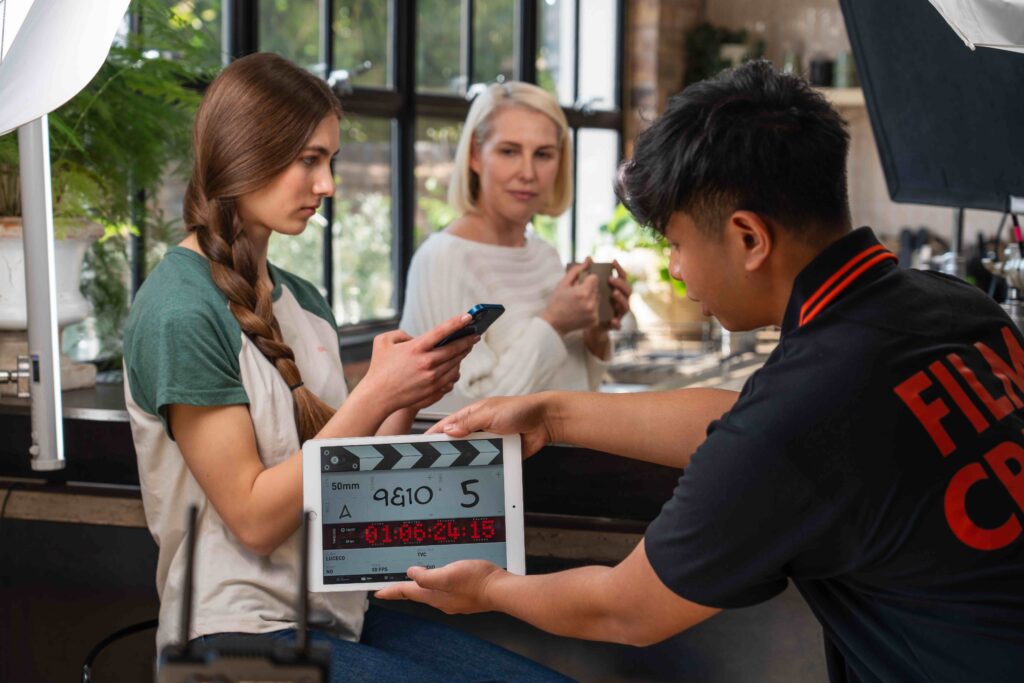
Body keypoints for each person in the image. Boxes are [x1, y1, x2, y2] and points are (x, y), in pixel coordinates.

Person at [378, 60, 1024, 682]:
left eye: (678, 244)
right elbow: (750, 420)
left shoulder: (803, 409)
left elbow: (624, 608)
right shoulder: (954, 306)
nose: (677, 271)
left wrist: (489, 587)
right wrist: (554, 412)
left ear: (748, 238)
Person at [123, 53, 569, 682]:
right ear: (242, 154)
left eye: (328, 161)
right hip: (232, 637)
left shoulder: (303, 300)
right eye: (309, 160)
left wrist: (405, 396)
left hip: (340, 615)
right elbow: (253, 519)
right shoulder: (179, 311)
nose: (327, 184)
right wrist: (372, 395)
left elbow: (345, 499)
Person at [399, 81, 631, 412]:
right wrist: (555, 323)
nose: (528, 173)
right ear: (476, 157)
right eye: (509, 151)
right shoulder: (442, 261)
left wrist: (594, 334)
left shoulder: (543, 254)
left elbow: (575, 391)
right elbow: (465, 413)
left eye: (543, 154)